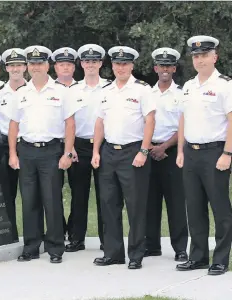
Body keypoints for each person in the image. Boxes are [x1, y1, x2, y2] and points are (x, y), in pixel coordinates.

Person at [8, 45, 78, 264]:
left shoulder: (61, 92)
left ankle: (55, 247)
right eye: (32, 64)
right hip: (26, 151)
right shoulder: (21, 93)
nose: (36, 67)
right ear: (28, 67)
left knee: (52, 200)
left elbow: (70, 123)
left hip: (51, 151)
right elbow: (13, 124)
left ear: (48, 65)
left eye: (39, 63)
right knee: (29, 201)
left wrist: (67, 153)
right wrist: (12, 153)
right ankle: (31, 246)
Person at [91, 46, 155, 270]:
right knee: (109, 204)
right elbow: (100, 123)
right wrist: (96, 151)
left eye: (125, 64)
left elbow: (150, 121)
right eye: (117, 64)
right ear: (113, 66)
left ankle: (136, 254)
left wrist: (144, 151)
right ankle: (113, 253)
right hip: (109, 152)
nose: (121, 67)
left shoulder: (142, 90)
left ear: (132, 66)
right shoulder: (106, 91)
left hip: (133, 151)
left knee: (135, 206)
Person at [176, 35, 232, 276]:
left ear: (214, 57)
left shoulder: (225, 85)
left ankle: (220, 258)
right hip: (191, 152)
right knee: (194, 208)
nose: (199, 60)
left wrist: (228, 153)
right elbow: (183, 119)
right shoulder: (188, 86)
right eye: (196, 56)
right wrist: (180, 150)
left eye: (204, 55)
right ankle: (197, 256)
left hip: (215, 153)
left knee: (220, 208)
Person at [65, 44, 111, 252]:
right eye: (87, 61)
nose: (91, 64)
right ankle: (76, 239)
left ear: (100, 63)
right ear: (81, 64)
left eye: (95, 61)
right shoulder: (73, 90)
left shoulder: (110, 88)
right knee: (79, 195)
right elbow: (68, 120)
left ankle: (106, 239)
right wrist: (71, 146)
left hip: (104, 146)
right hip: (80, 146)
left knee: (106, 195)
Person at [145, 47, 188, 262]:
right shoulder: (145, 93)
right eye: (161, 66)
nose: (165, 69)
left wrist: (164, 147)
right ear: (155, 68)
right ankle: (151, 245)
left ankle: (180, 248)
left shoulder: (181, 94)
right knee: (149, 202)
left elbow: (185, 127)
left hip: (172, 153)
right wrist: (151, 148)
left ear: (174, 68)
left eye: (168, 66)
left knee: (176, 203)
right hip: (148, 152)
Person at [0, 47, 28, 241]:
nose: (15, 68)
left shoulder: (33, 91)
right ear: (6, 69)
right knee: (5, 192)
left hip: (27, 144)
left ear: (25, 67)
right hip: (3, 146)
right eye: (12, 65)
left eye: (19, 65)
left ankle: (34, 235)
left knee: (31, 193)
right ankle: (9, 234)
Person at [51, 47, 78, 238]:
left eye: (69, 64)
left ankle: (76, 236)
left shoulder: (84, 88)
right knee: (52, 192)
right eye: (62, 64)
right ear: (55, 67)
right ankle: (58, 232)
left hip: (82, 147)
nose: (65, 68)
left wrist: (72, 146)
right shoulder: (46, 88)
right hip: (54, 145)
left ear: (74, 67)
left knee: (79, 192)